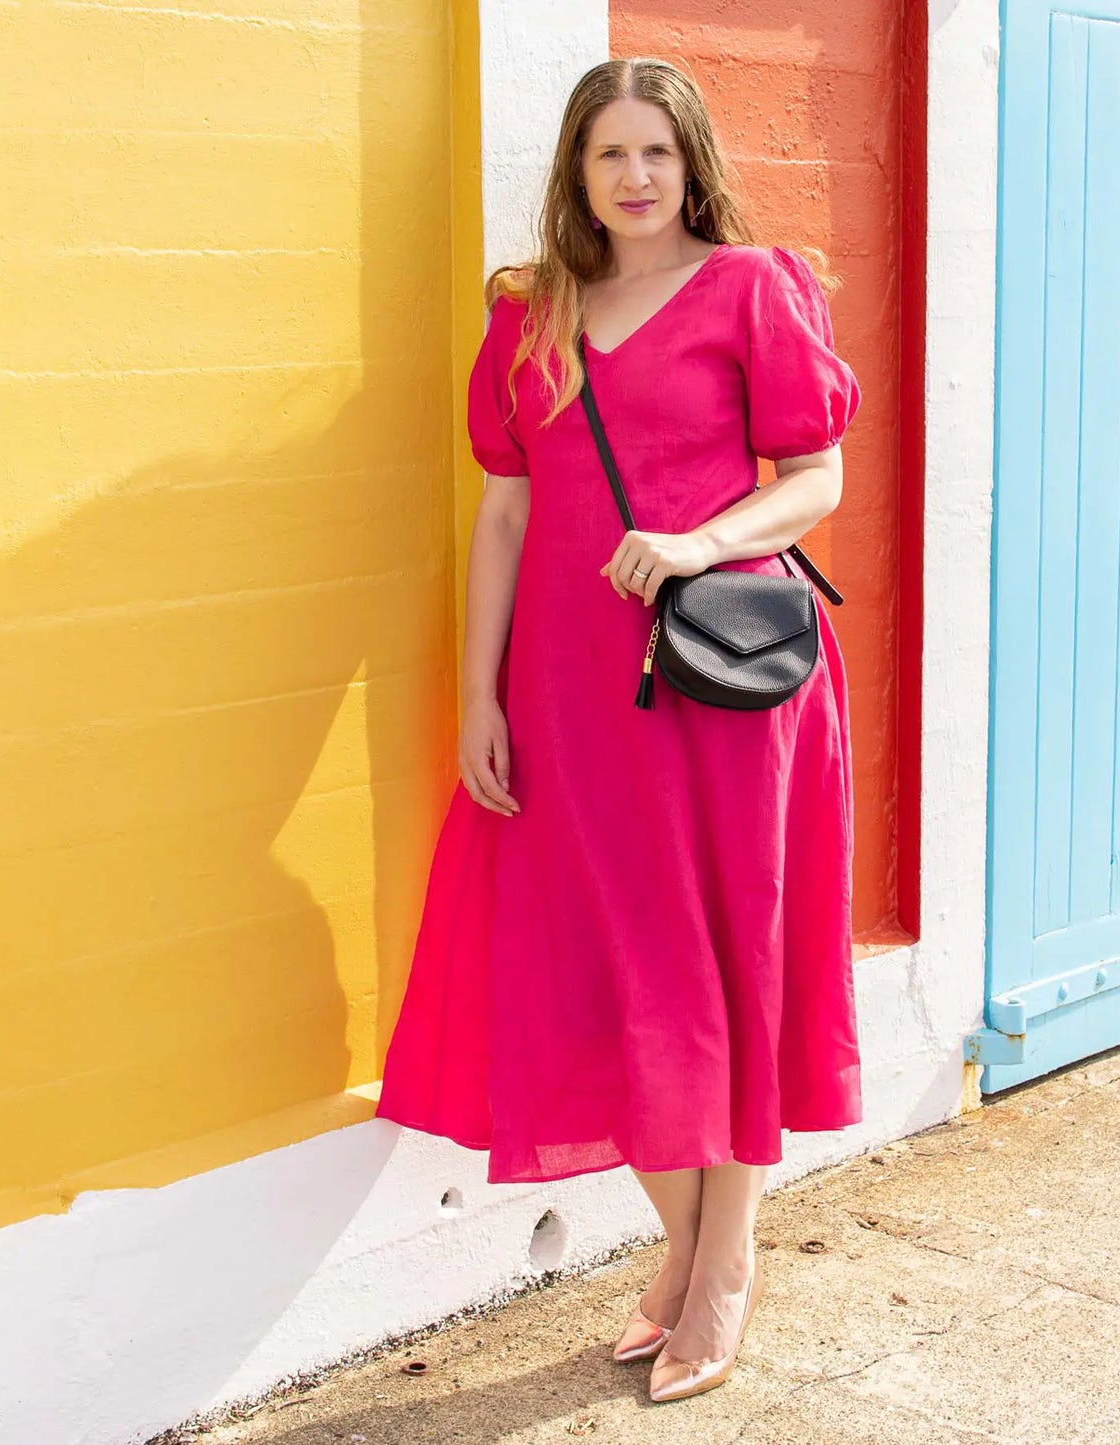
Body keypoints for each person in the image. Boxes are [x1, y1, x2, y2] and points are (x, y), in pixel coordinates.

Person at [376, 55, 863, 1404]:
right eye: (609, 155)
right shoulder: (531, 316)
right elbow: (507, 513)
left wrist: (699, 537)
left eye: (657, 151)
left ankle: (722, 1262)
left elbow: (813, 475)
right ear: (576, 172)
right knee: (606, 963)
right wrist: (478, 691)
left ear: (690, 158)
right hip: (573, 693)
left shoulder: (754, 289)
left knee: (720, 956)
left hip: (721, 683)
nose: (635, 177)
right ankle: (682, 1243)